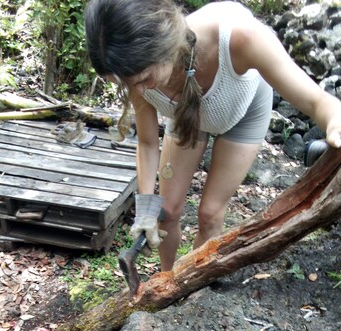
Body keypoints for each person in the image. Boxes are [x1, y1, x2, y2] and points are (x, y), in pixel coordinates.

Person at [85, 0, 341, 271]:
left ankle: (192, 286)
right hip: (187, 115)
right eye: (125, 83)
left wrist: (335, 121)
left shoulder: (240, 36)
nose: (135, 89)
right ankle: (166, 281)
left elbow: (318, 103)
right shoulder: (134, 71)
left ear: (163, 48)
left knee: (209, 214)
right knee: (166, 212)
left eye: (142, 79)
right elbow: (148, 142)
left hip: (242, 111)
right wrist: (146, 206)